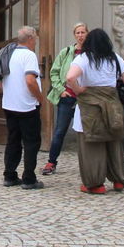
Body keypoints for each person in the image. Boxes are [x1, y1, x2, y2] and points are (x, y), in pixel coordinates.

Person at [65, 27, 124, 194]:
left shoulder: (84, 59)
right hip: (112, 105)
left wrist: (79, 89)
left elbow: (70, 78)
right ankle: (118, 180)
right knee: (113, 142)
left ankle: (95, 184)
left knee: (92, 144)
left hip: (90, 107)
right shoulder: (114, 58)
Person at [0, 25, 48, 190]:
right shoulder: (29, 55)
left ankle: (10, 175)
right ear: (30, 39)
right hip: (26, 106)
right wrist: (40, 97)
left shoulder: (7, 53)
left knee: (13, 140)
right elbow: (30, 80)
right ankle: (29, 178)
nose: (35, 42)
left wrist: (8, 92)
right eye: (34, 39)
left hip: (9, 104)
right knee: (31, 142)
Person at [42, 22, 87, 176]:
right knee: (60, 130)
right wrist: (60, 90)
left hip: (85, 98)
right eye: (78, 33)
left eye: (83, 32)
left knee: (88, 131)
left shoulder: (91, 53)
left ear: (87, 34)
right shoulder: (66, 52)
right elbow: (54, 73)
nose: (80, 35)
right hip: (67, 97)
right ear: (74, 35)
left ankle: (90, 163)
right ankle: (51, 162)